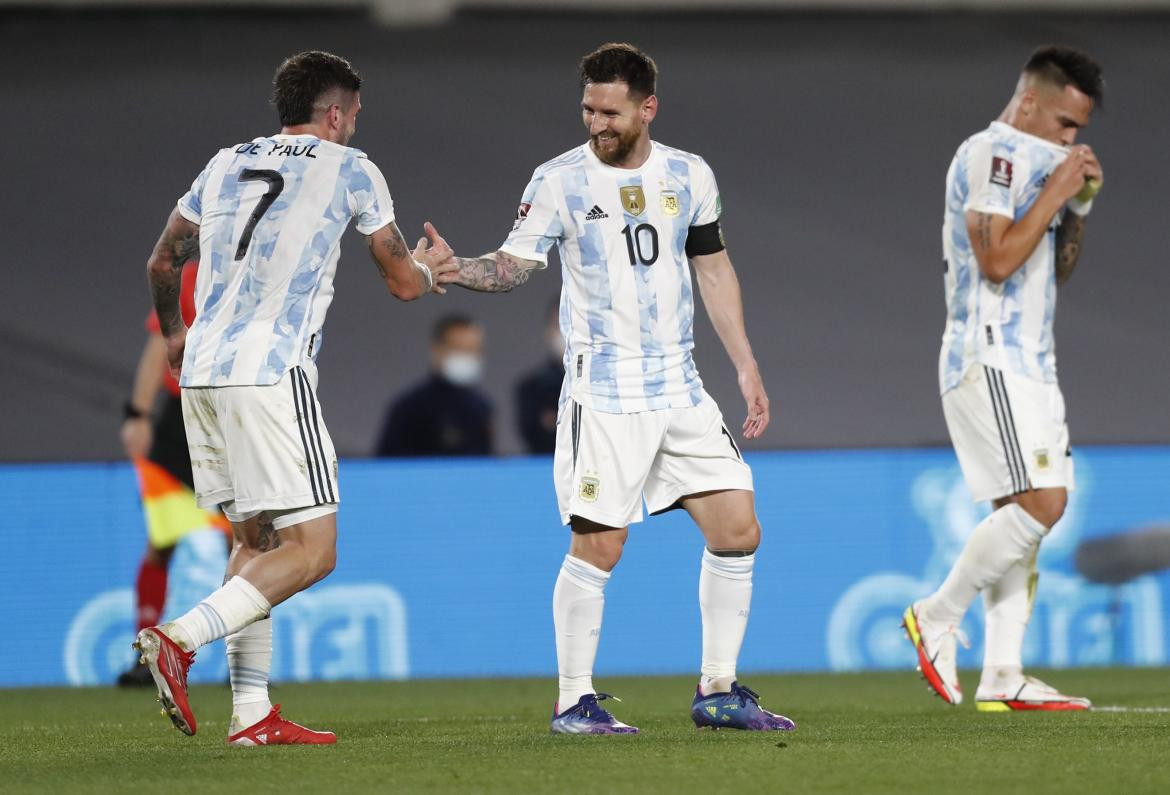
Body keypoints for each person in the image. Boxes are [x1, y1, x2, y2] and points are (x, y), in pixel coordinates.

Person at [430, 42, 794, 733]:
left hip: (679, 387)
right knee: (600, 545)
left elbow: (713, 269)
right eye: (588, 108)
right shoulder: (559, 180)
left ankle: (717, 690)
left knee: (738, 528)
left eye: (610, 110)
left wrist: (744, 363)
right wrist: (454, 271)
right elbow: (513, 266)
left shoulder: (689, 175)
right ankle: (573, 700)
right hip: (604, 391)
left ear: (647, 108)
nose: (596, 122)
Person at [134, 50, 455, 745]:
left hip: (204, 374)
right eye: (355, 116)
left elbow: (163, 260)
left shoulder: (222, 163)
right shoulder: (352, 167)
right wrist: (435, 273)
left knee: (258, 539)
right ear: (335, 113)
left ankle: (251, 715)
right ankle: (179, 638)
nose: (355, 127)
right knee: (314, 550)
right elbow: (402, 280)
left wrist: (175, 335)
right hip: (271, 371)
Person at [903, 45, 1104, 711]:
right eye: (1065, 126)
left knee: (1017, 515)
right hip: (987, 355)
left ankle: (1001, 673)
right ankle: (937, 613)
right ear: (1028, 104)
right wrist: (1057, 189)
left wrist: (1075, 208)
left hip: (1031, 361)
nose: (1071, 141)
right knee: (1044, 503)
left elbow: (1051, 267)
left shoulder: (1037, 165)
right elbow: (994, 260)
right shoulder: (992, 154)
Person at [117, 259, 231, 687]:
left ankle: (243, 665)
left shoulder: (265, 272)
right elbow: (157, 347)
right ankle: (145, 656)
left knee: (244, 542)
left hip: (232, 417)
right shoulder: (192, 276)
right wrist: (139, 415)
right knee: (161, 540)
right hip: (180, 422)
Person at [374, 314, 493, 457]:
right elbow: (388, 463)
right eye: (459, 348)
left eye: (473, 349)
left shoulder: (482, 407)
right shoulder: (410, 407)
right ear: (437, 350)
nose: (467, 356)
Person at [514, 299, 564, 454]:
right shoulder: (532, 388)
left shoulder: (610, 386)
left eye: (573, 325)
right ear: (549, 330)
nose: (566, 332)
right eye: (559, 325)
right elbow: (535, 436)